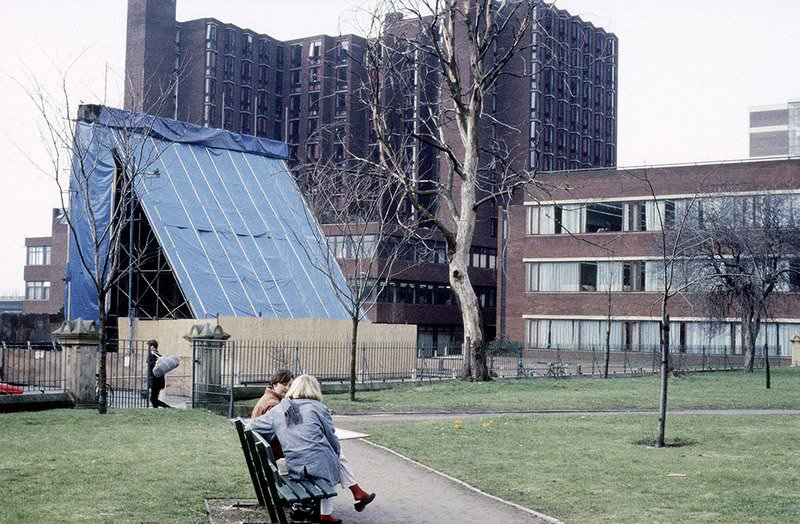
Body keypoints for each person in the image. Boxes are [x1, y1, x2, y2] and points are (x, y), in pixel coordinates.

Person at [249, 374, 375, 523]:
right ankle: (331, 510)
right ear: (315, 389)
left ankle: (350, 497)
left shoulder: (279, 410)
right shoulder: (319, 408)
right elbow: (331, 436)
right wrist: (334, 451)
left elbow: (252, 425)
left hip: (295, 465)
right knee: (333, 456)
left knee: (328, 457)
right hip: (316, 466)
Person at [146, 340, 171, 408]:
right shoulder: (151, 355)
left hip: (156, 380)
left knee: (153, 399)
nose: (149, 347)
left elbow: (155, 367)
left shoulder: (157, 356)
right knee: (154, 399)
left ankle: (168, 408)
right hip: (154, 380)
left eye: (151, 346)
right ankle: (157, 409)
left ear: (153, 347)